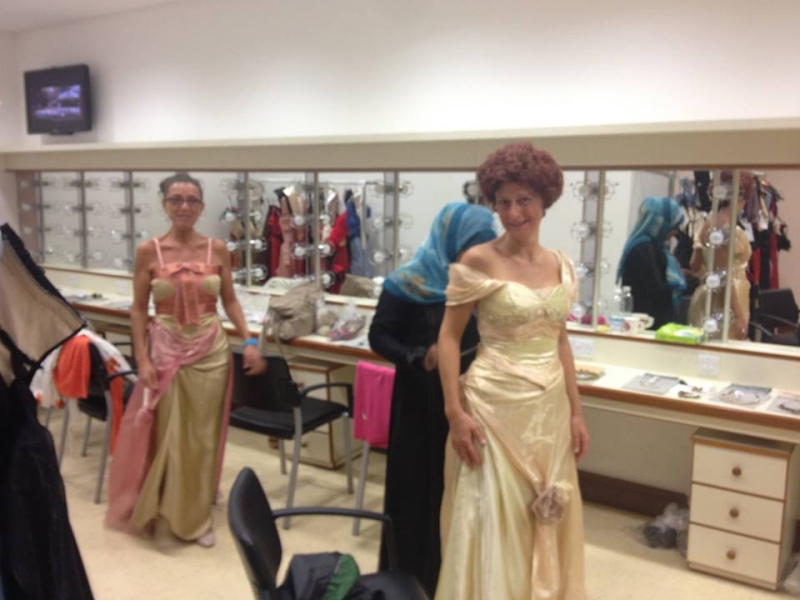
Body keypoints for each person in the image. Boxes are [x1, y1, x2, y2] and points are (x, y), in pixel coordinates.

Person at [436, 142, 589, 600]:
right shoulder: (478, 260)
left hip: (549, 412)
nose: (513, 213)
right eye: (502, 202)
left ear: (544, 200)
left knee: (546, 510)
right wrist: (454, 412)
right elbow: (448, 339)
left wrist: (576, 413)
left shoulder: (560, 264)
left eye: (524, 199)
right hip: (492, 409)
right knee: (494, 519)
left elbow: (560, 341)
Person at [106, 172, 265, 548]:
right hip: (164, 349)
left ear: (202, 207)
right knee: (169, 433)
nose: (184, 206)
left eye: (192, 200)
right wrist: (142, 359)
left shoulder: (217, 249)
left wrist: (250, 340)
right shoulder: (149, 251)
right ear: (164, 204)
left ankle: (195, 513)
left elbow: (229, 300)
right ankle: (167, 504)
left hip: (211, 350)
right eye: (176, 199)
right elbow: (138, 309)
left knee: (203, 435)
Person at [368, 202, 497, 596]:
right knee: (417, 494)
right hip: (419, 405)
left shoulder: (479, 283)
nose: (476, 254)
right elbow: (378, 336)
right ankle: (411, 581)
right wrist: (416, 356)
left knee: (459, 492)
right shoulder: (406, 283)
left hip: (469, 403)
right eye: (471, 245)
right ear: (451, 240)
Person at [688, 171, 753, 339]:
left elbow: (695, 264)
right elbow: (723, 275)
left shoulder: (711, 222)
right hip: (726, 300)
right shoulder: (722, 226)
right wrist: (738, 315)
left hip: (719, 294)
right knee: (723, 346)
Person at [616, 196, 687, 330]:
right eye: (673, 226)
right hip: (649, 326)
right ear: (662, 224)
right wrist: (680, 285)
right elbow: (655, 290)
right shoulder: (645, 249)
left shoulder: (648, 246)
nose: (675, 232)